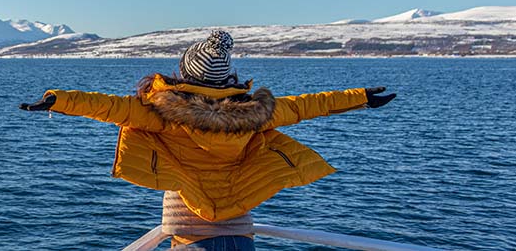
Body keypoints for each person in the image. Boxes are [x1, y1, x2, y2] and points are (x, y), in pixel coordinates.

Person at [20, 30, 396, 250]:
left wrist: (57, 99)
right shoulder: (254, 112)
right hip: (238, 230)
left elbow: (105, 107)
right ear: (227, 78)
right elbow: (307, 106)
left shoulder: (161, 111)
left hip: (188, 231)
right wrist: (360, 97)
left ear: (184, 73)